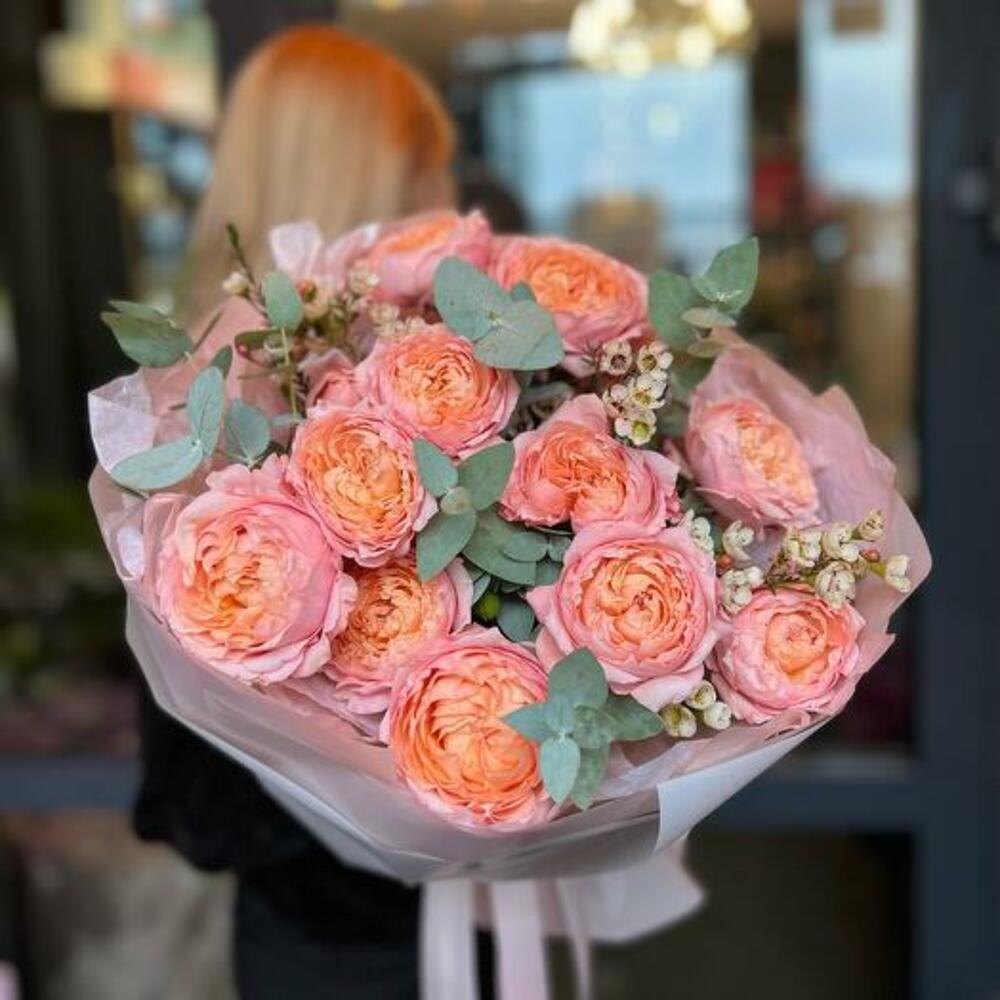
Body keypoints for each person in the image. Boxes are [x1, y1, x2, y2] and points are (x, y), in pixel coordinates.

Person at [136, 25, 458, 1000]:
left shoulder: (446, 381)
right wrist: (401, 795)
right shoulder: (188, 421)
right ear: (358, 184)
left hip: (471, 920)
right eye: (426, 176)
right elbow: (194, 799)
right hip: (334, 945)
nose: (449, 207)